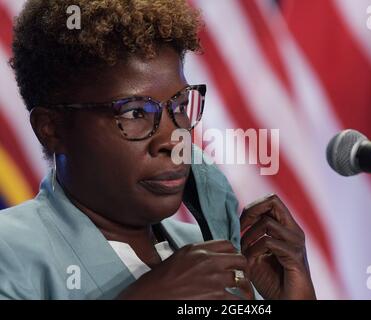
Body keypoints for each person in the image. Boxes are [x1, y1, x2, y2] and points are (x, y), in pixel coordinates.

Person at [0, 0, 316, 300]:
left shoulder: (215, 257)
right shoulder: (11, 252)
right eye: (135, 112)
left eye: (179, 106)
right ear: (51, 129)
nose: (173, 139)